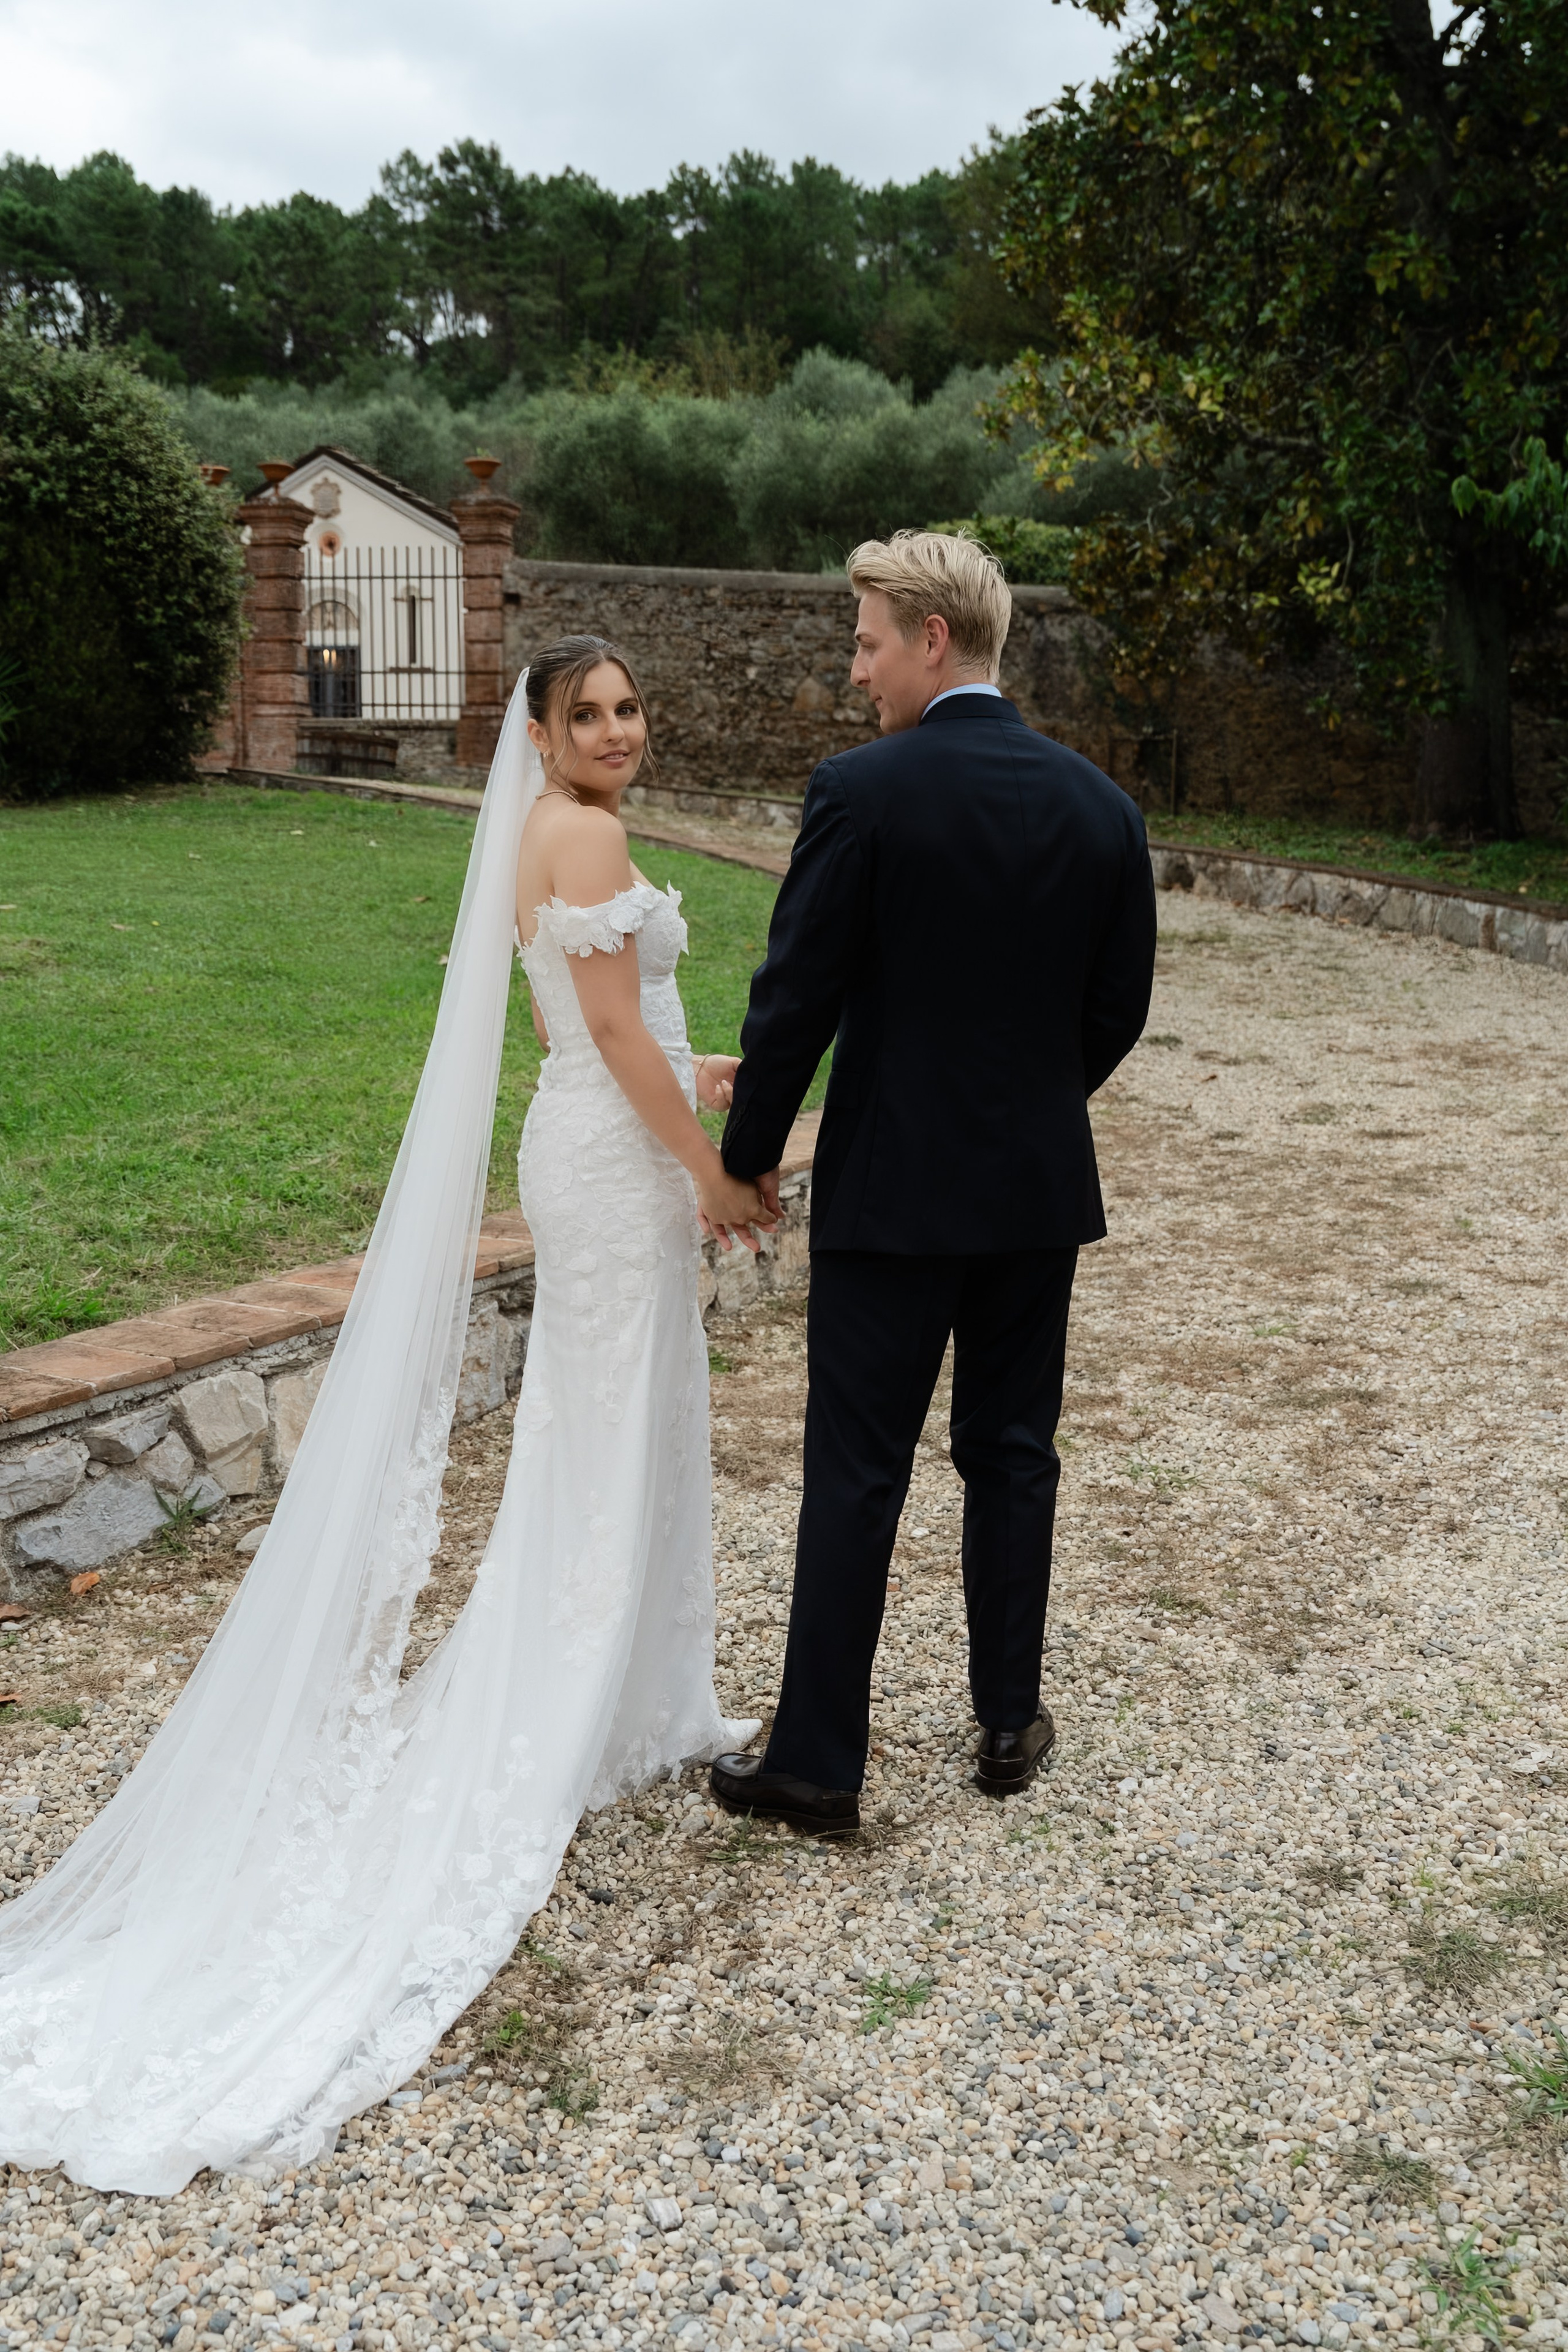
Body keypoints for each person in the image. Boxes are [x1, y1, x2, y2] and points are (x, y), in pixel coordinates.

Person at [0, 638, 769, 2194]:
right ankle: (584, 1710)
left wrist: (708, 1068)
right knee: (608, 1433)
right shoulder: (588, 830)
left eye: (629, 711)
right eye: (589, 714)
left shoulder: (535, 836)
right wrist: (715, 1176)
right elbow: (613, 1039)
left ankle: (630, 1692)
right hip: (622, 1170)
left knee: (601, 1427)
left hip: (586, 1141)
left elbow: (600, 1022)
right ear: (542, 732)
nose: (617, 732)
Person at [710, 530, 1157, 1836]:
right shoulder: (1102, 809)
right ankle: (1008, 1720)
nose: (855, 675)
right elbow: (1113, 1011)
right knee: (1013, 1453)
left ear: (929, 639)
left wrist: (744, 1161)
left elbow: (794, 1000)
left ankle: (815, 1761)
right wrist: (1021, 1106)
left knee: (856, 1467)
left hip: (891, 1195)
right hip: (1030, 1190)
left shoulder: (859, 793)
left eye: (862, 643)